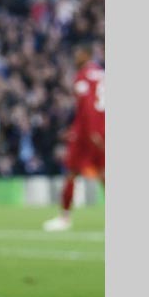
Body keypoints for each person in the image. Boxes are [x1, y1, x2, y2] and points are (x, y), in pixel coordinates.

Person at [44, 44, 105, 232]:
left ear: (86, 54)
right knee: (103, 174)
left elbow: (87, 105)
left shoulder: (83, 75)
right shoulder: (102, 73)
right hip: (103, 128)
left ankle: (64, 217)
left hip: (87, 133)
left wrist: (91, 131)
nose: (75, 57)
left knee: (72, 171)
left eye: (78, 54)